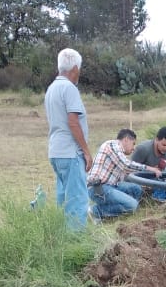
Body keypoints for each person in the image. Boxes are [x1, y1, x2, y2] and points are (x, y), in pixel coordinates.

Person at [44, 48, 92, 231]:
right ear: (74, 68)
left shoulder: (51, 88)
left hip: (55, 152)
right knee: (77, 201)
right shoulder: (69, 88)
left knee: (63, 199)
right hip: (70, 153)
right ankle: (76, 243)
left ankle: (61, 238)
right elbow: (73, 122)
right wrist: (86, 152)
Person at [87, 128, 154, 220]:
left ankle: (114, 210)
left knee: (136, 189)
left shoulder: (118, 152)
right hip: (98, 188)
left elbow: (127, 172)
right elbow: (126, 165)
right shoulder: (112, 145)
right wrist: (149, 168)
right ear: (126, 139)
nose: (134, 148)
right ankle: (95, 211)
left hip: (111, 186)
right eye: (133, 143)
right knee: (133, 205)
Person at [132, 127, 166, 202]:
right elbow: (130, 171)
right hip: (141, 183)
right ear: (157, 139)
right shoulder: (142, 149)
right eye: (164, 145)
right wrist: (150, 170)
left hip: (159, 182)